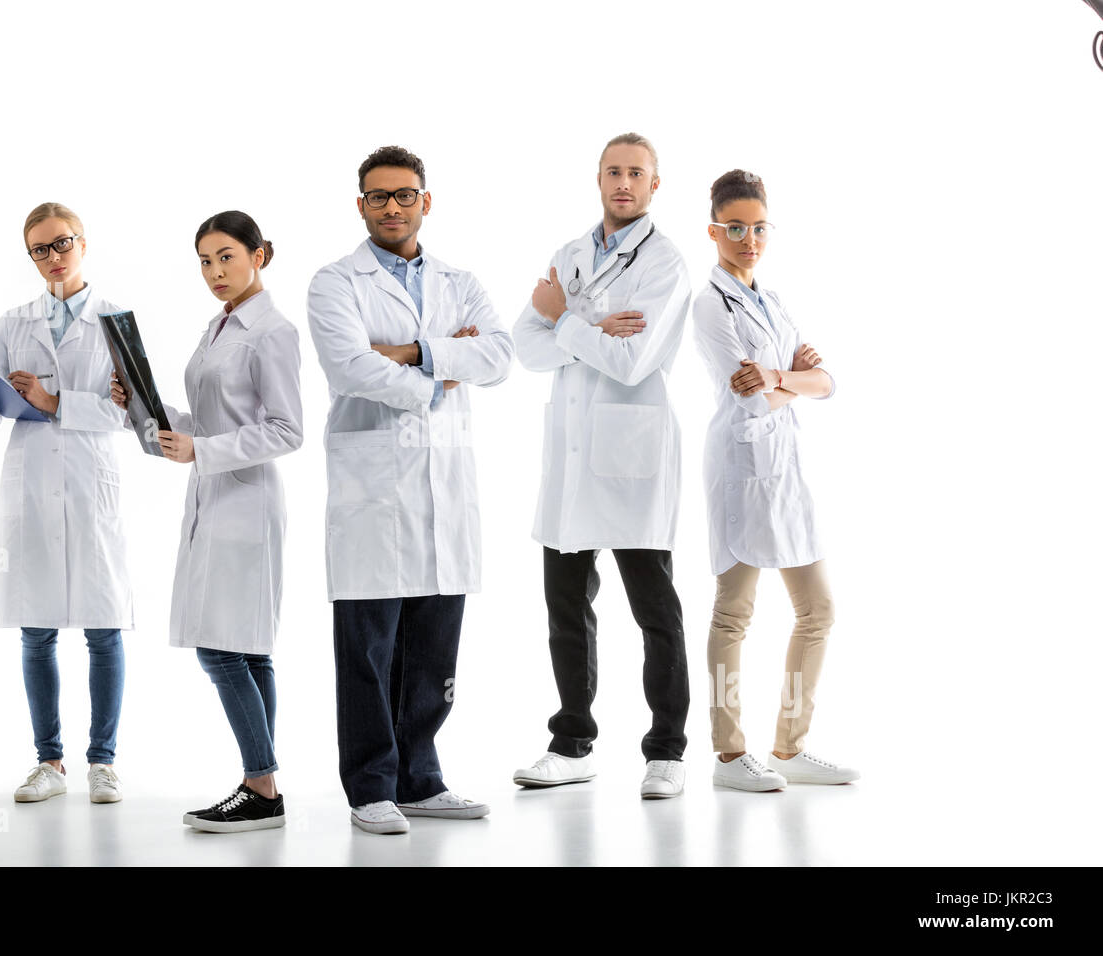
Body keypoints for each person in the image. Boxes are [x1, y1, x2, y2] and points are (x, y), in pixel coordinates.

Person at [306, 145, 514, 834]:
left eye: (404, 194)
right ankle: (370, 786)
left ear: (427, 201)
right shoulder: (335, 283)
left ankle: (420, 779)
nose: (391, 206)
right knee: (369, 649)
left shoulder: (461, 279)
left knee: (432, 647)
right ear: (360, 204)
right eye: (378, 196)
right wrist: (442, 372)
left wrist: (414, 352)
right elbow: (350, 368)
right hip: (372, 491)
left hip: (443, 486)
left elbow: (500, 355)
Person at [511, 133, 693, 799]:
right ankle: (573, 742)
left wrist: (566, 320)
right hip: (572, 455)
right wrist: (587, 324)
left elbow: (632, 360)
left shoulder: (666, 263)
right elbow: (523, 347)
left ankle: (667, 750)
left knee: (655, 609)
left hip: (631, 453)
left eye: (636, 174)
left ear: (654, 185)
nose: (624, 183)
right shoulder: (570, 254)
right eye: (614, 171)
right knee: (565, 605)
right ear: (598, 178)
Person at [113, 211, 302, 831]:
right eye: (204, 261)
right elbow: (204, 423)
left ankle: (261, 786)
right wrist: (141, 406)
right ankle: (264, 786)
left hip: (246, 503)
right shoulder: (218, 327)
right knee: (246, 651)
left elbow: (286, 430)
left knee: (223, 649)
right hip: (212, 497)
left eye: (226, 256)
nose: (215, 272)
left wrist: (205, 452)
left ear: (260, 255)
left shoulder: (270, 331)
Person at [0, 202, 133, 804]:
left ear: (84, 243)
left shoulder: (116, 322)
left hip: (90, 484)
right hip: (30, 486)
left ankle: (102, 762)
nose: (52, 258)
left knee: (104, 630)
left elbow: (129, 412)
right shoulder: (14, 321)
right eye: (39, 250)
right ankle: (48, 764)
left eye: (61, 244)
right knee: (37, 632)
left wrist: (56, 404)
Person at [691, 169, 859, 790]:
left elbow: (826, 383)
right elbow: (752, 399)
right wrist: (791, 381)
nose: (748, 239)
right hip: (741, 466)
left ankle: (789, 746)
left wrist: (780, 378)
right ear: (714, 230)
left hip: (786, 471)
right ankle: (730, 756)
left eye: (759, 228)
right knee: (733, 613)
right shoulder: (710, 305)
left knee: (817, 610)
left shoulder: (770, 298)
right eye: (736, 228)